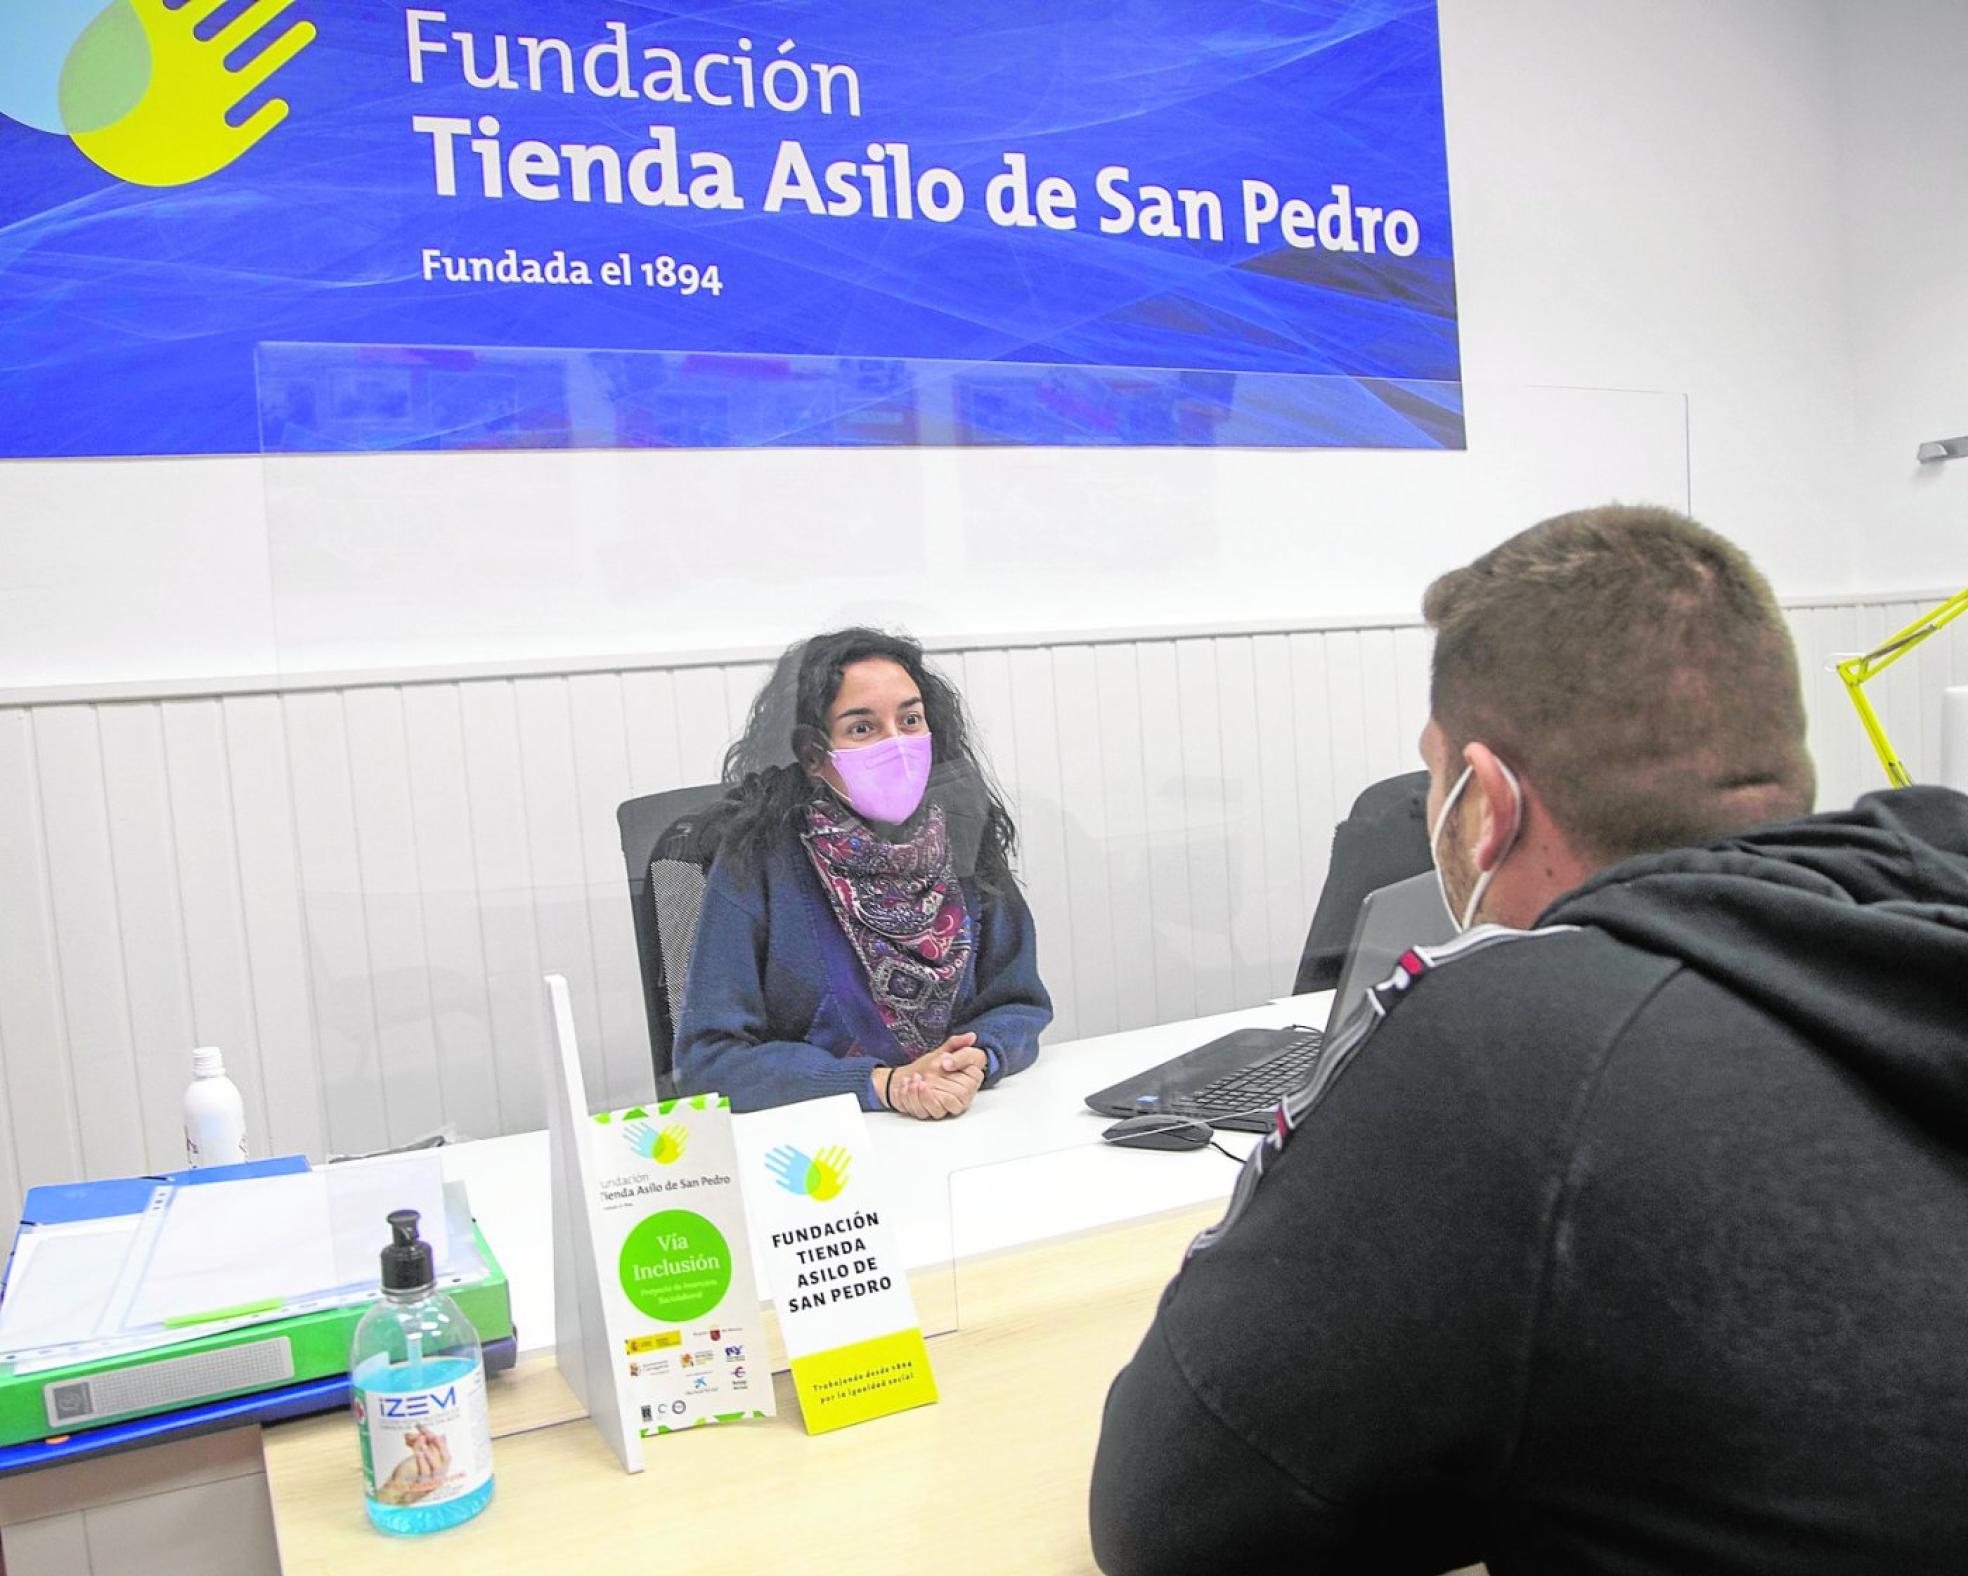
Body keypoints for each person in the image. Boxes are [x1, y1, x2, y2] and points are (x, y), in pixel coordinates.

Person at [1090, 505, 1968, 1573]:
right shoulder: (1925, 917)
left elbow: (1166, 1520)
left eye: (1433, 784)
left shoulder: (1505, 1049)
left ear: (1486, 802)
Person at [672, 628, 1052, 1116]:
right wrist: (882, 1084)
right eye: (862, 728)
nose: (897, 744)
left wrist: (977, 1057)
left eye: (911, 719)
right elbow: (710, 1062)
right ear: (812, 755)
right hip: (825, 1152)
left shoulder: (959, 836)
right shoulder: (759, 860)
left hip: (962, 1123)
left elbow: (1019, 1004)